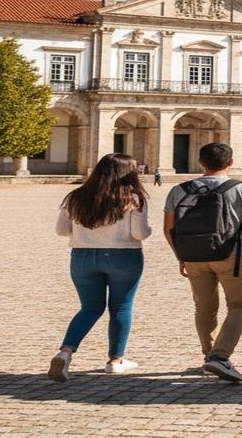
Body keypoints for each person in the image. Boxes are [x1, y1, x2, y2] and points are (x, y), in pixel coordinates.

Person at [163, 143, 242, 383]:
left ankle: (209, 354)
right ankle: (220, 357)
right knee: (241, 305)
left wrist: (181, 255)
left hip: (193, 256)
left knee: (204, 307)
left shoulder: (179, 190)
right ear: (231, 163)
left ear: (200, 162)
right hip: (233, 254)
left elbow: (168, 228)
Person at [48, 153, 152, 382]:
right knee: (121, 308)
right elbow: (140, 234)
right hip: (124, 256)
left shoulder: (76, 196)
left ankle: (65, 353)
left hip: (83, 256)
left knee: (90, 308)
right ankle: (115, 361)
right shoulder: (134, 198)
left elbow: (61, 230)